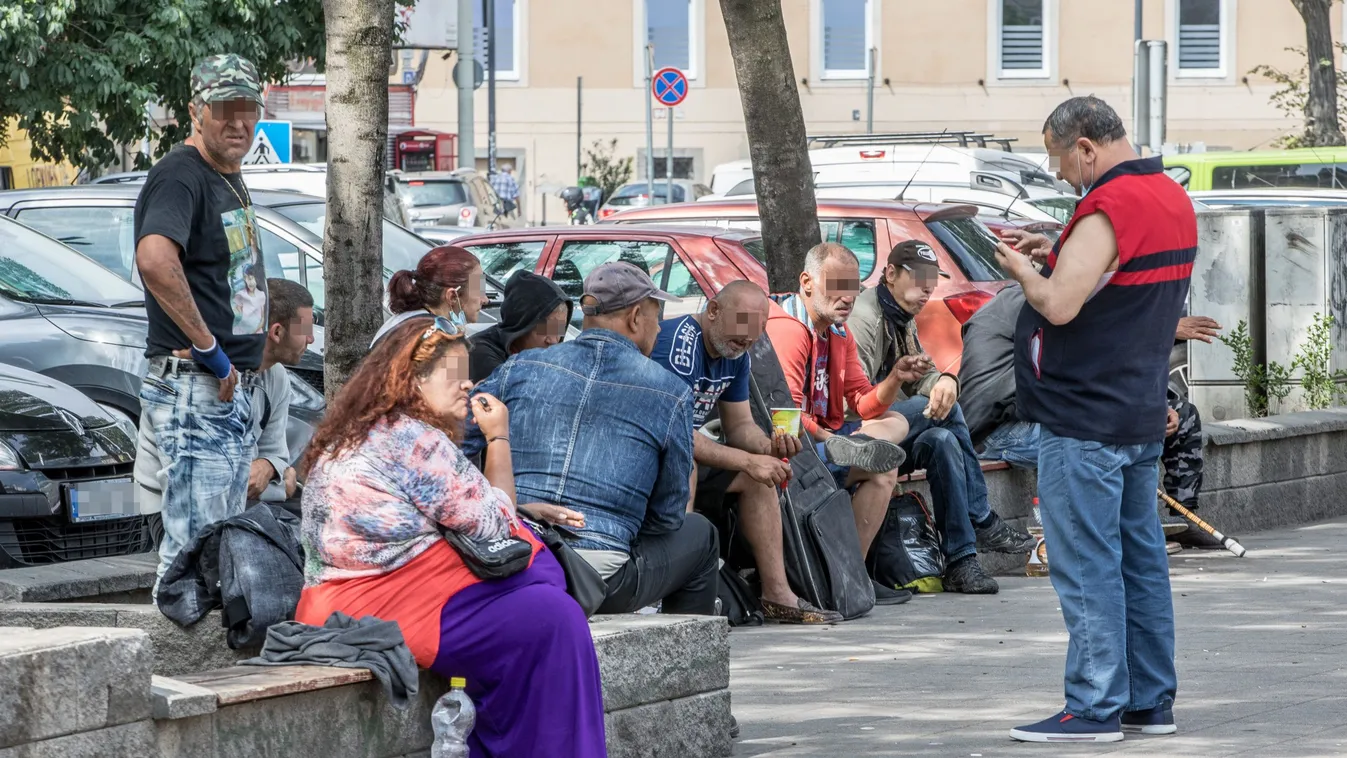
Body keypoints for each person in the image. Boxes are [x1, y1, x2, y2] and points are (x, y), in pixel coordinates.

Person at [296, 317, 605, 757]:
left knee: (542, 598)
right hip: (389, 604)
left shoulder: (358, 432)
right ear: (412, 378)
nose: (468, 384)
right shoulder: (413, 440)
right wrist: (498, 436)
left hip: (334, 602)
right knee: (553, 614)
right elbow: (495, 523)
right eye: (454, 374)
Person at [997, 97, 1194, 743]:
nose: (1057, 175)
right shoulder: (1168, 195)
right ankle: (1147, 701)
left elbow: (1057, 305)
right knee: (1139, 562)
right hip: (1135, 411)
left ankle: (1092, 706)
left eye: (1057, 158)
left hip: (1083, 417)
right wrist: (1058, 244)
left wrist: (1024, 269)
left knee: (1086, 565)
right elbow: (1123, 277)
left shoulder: (1108, 204)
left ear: (1084, 146)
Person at [465, 262, 719, 616]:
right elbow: (668, 515)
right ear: (634, 317)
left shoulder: (520, 366)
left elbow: (455, 443)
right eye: (655, 316)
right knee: (702, 535)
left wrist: (511, 506)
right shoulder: (670, 391)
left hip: (513, 550)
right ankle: (688, 663)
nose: (659, 328)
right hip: (600, 575)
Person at [133, 54, 270, 587]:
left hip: (226, 388)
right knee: (194, 552)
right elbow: (154, 260)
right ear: (195, 112)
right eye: (224, 109)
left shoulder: (227, 175)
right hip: (196, 386)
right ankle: (172, 669)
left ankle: (207, 666)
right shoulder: (180, 174)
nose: (238, 122)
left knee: (217, 548)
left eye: (248, 109)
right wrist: (210, 348)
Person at [960, 283, 1219, 548]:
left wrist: (1151, 404)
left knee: (1182, 413)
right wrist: (1162, 330)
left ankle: (1182, 519)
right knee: (1104, 435)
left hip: (1032, 413)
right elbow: (1089, 352)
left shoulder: (1055, 301)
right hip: (998, 429)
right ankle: (1125, 529)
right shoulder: (1033, 303)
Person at [652, 281, 842, 624]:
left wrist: (768, 448)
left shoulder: (736, 354)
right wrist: (748, 460)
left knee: (761, 479)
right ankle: (677, 591)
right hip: (657, 454)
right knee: (687, 464)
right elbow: (675, 434)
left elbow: (740, 426)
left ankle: (777, 595)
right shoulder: (680, 343)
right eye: (741, 332)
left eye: (754, 336)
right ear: (713, 311)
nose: (746, 343)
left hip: (692, 450)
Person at [848, 240, 1033, 593]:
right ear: (890, 274)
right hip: (856, 432)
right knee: (930, 411)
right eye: (919, 279)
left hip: (891, 429)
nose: (927, 290)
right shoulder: (865, 318)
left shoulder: (902, 318)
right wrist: (935, 391)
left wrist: (947, 380)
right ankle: (980, 515)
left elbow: (926, 375)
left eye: (932, 281)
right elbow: (854, 403)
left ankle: (962, 562)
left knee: (942, 439)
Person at [765, 242, 928, 606]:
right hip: (795, 447)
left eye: (852, 288)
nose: (847, 298)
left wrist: (896, 378)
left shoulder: (840, 333)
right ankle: (848, 577)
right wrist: (826, 436)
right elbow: (783, 416)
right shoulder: (789, 330)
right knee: (885, 463)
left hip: (831, 441)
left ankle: (852, 576)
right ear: (807, 282)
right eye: (836, 286)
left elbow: (864, 403)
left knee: (897, 423)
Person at [246, 279, 316, 508]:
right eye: (305, 330)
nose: (311, 339)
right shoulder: (222, 374)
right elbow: (239, 479)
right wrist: (279, 485)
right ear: (276, 332)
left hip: (245, 502)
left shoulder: (277, 376)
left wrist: (267, 465)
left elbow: (276, 455)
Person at [371, 245, 488, 347]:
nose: (485, 300)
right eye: (479, 290)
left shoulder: (404, 321)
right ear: (452, 296)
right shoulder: (438, 339)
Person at [468, 269, 572, 383]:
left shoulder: (556, 358)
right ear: (522, 324)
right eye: (545, 329)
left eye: (558, 329)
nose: (552, 340)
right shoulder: (479, 354)